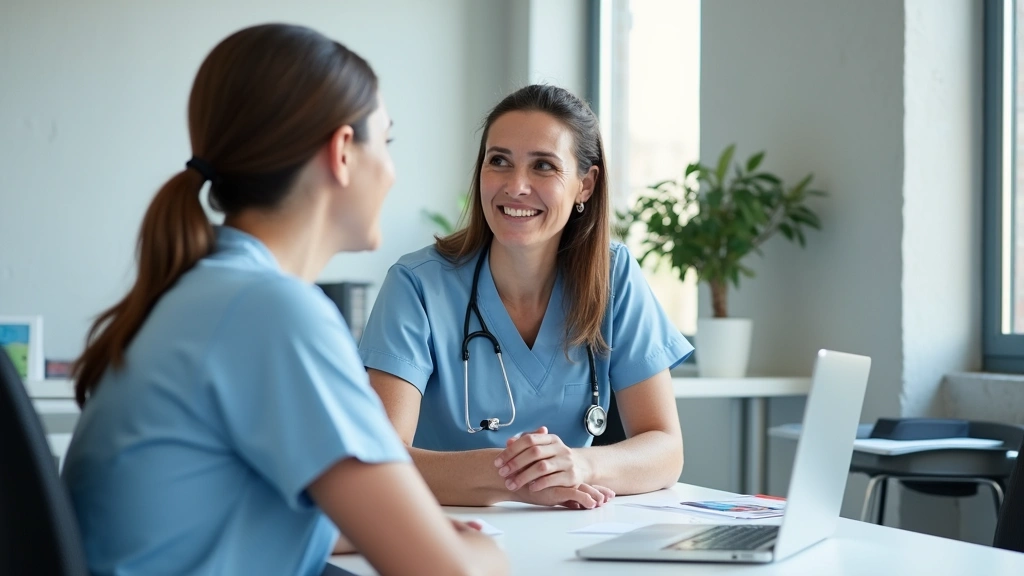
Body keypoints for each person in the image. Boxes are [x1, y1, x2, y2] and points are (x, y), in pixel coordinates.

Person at [61, 24, 506, 576]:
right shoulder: (271, 314)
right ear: (343, 152)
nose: (391, 171)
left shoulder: (206, 290)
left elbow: (227, 513)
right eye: (385, 142)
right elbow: (447, 573)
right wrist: (481, 552)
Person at [359, 84, 694, 508]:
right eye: (499, 161)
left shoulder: (614, 276)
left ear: (585, 185)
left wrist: (580, 465)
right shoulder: (416, 285)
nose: (516, 186)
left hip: (570, 529)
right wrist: (517, 475)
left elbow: (666, 450)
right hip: (448, 531)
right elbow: (380, 462)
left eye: (543, 166)